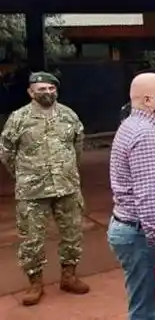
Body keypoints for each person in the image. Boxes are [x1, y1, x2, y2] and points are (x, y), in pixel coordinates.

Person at [0, 72, 89, 306]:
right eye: (41, 89)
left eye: (51, 88)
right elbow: (6, 152)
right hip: (32, 191)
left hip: (67, 187)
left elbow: (78, 146)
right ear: (31, 92)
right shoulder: (18, 118)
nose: (47, 92)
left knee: (72, 234)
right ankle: (34, 283)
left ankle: (69, 277)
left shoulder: (69, 115)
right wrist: (25, 175)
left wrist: (68, 170)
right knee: (32, 240)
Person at [108, 72, 155, 319]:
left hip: (136, 229)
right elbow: (147, 198)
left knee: (147, 302)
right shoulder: (146, 135)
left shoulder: (135, 126)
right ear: (149, 101)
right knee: (146, 309)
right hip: (140, 234)